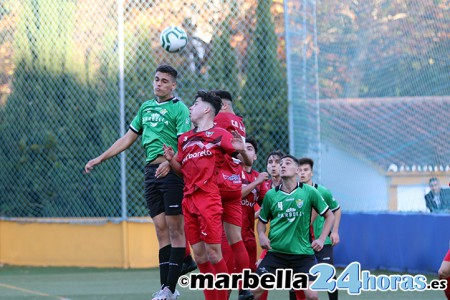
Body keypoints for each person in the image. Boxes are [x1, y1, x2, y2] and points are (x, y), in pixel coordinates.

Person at [84, 65, 192, 300]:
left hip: (171, 173)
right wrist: (100, 158)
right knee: (161, 231)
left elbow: (185, 145)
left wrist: (172, 163)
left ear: (173, 85)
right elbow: (127, 138)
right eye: (156, 79)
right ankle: (166, 289)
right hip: (151, 173)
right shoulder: (146, 107)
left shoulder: (180, 109)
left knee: (175, 231)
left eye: (164, 81)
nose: (159, 84)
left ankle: (170, 289)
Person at [163, 90, 247, 300]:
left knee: (214, 254)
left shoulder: (221, 134)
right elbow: (181, 171)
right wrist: (172, 160)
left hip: (208, 199)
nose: (190, 108)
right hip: (188, 200)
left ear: (207, 109)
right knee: (200, 256)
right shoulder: (184, 138)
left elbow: (248, 163)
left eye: (195, 104)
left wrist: (243, 150)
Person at [249, 155, 335, 300]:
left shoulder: (309, 192)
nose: (282, 166)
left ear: (297, 170)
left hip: (302, 255)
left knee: (312, 295)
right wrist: (262, 235)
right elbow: (262, 221)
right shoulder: (271, 195)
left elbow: (330, 216)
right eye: (281, 164)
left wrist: (321, 239)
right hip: (276, 253)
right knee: (253, 290)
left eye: (287, 163)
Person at [211, 89, 253, 299]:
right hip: (235, 181)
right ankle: (244, 286)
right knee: (236, 239)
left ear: (223, 105)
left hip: (218, 180)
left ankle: (221, 290)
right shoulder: (239, 122)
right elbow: (243, 156)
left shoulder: (220, 117)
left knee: (214, 244)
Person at [298, 157, 341, 300]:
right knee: (296, 275)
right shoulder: (293, 193)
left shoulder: (323, 191)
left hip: (322, 240)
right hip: (301, 242)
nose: (302, 173)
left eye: (306, 170)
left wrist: (334, 231)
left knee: (328, 272)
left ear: (311, 173)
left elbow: (337, 209)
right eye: (300, 170)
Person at [240, 137, 269, 271]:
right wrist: (257, 182)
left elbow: (267, 206)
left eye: (249, 149)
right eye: (242, 148)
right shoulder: (230, 172)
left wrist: (255, 215)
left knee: (251, 283)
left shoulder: (259, 177)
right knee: (225, 281)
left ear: (255, 156)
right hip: (228, 235)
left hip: (248, 236)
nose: (245, 151)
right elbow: (236, 195)